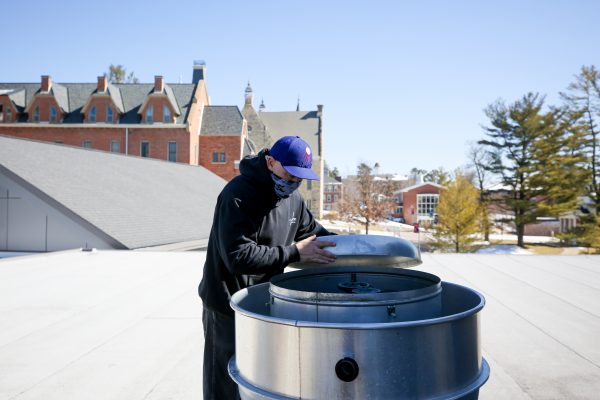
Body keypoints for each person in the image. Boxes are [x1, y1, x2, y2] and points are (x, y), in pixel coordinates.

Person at [198, 135, 337, 400]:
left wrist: (356, 250)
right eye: (288, 175)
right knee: (224, 388)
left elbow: (317, 235)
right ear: (271, 162)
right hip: (226, 308)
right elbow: (237, 257)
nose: (293, 184)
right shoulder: (237, 195)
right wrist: (294, 253)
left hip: (263, 308)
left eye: (299, 179)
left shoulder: (293, 201)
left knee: (257, 385)